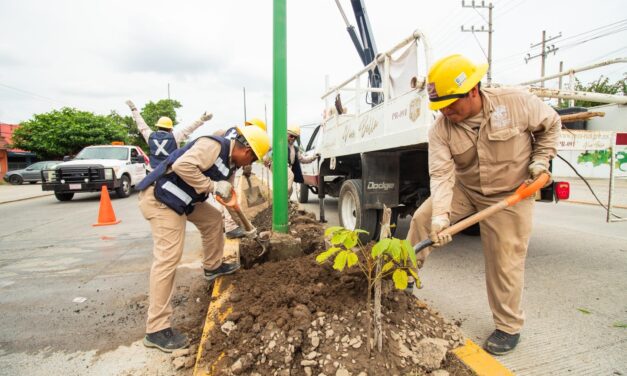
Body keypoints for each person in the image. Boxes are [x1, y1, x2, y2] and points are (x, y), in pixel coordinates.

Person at [406, 54, 560, 355]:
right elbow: (441, 175)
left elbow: (551, 124)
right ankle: (403, 277)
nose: (446, 112)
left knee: (506, 259)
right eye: (440, 107)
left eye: (451, 104)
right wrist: (441, 218)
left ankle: (508, 326)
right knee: (421, 220)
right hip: (467, 187)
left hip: (512, 192)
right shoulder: (440, 130)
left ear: (473, 91)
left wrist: (541, 160)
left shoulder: (515, 102)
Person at [136, 125, 270, 352]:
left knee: (213, 219)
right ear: (247, 151)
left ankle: (213, 266)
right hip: (161, 198)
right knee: (168, 259)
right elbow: (181, 165)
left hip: (182, 199)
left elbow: (228, 199)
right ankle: (156, 329)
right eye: (252, 159)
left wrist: (247, 228)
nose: (249, 164)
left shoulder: (231, 165)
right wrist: (211, 185)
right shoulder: (213, 146)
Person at [211, 118, 268, 239]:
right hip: (228, 166)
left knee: (222, 194)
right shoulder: (249, 137)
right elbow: (246, 154)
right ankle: (231, 227)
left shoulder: (234, 131)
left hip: (220, 164)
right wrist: (247, 168)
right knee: (229, 195)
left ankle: (223, 223)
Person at [125, 99, 212, 169]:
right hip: (171, 170)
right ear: (170, 128)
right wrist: (202, 119)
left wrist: (133, 109)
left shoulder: (150, 135)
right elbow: (189, 128)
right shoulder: (175, 136)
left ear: (158, 126)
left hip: (154, 171)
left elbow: (141, 125)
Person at [264, 124, 319, 198]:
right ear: (286, 135)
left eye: (295, 137)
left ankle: (285, 202)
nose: (293, 138)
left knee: (290, 190)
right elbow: (268, 152)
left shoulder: (295, 149)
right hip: (278, 165)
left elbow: (302, 159)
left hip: (287, 168)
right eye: (291, 136)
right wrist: (266, 157)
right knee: (291, 176)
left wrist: (313, 158)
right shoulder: (280, 143)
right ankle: (281, 198)